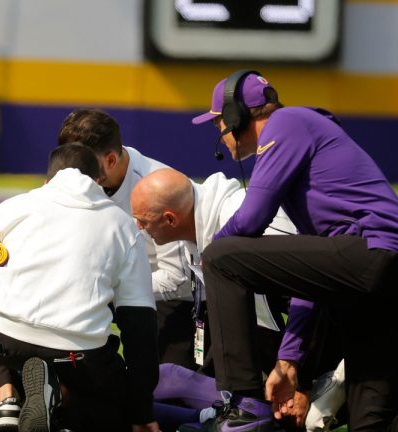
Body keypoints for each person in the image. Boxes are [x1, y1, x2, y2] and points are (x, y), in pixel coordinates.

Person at [190, 69, 398, 431]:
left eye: (218, 123)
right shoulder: (300, 131)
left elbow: (251, 218)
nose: (219, 135)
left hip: (371, 253)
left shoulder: (285, 123)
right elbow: (313, 284)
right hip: (377, 273)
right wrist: (288, 360)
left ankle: (244, 403)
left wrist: (210, 253)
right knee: (370, 419)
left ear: (236, 116)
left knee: (221, 258)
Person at [0, 142, 161, 432]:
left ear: (48, 179)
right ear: (99, 181)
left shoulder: (12, 208)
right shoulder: (123, 226)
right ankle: (61, 396)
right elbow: (140, 328)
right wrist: (141, 412)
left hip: (6, 343)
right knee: (112, 414)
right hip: (80, 356)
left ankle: (7, 398)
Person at [130, 168, 348, 431]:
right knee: (165, 379)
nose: (138, 228)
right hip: (282, 359)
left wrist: (300, 379)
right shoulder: (201, 227)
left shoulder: (248, 224)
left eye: (142, 220)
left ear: (170, 219)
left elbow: (315, 291)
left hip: (344, 348)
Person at [57, 109, 197, 370]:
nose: (72, 176)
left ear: (110, 160)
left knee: (164, 385)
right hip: (106, 286)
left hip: (166, 302)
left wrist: (109, 289)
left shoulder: (159, 187)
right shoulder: (74, 180)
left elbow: (179, 280)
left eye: (82, 168)